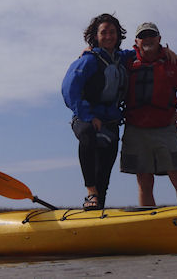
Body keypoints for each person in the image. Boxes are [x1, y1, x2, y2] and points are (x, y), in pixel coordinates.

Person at [120, 22, 177, 206]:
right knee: (144, 182)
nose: (148, 39)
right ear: (136, 41)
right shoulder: (127, 61)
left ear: (159, 39)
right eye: (143, 36)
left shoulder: (173, 63)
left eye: (152, 35)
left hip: (165, 129)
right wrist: (88, 50)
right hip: (136, 129)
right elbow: (104, 54)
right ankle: (150, 224)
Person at [61, 13, 130, 210]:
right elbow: (69, 89)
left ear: (118, 35)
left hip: (110, 121)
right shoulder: (89, 60)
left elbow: (141, 51)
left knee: (105, 173)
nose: (108, 36)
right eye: (104, 32)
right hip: (85, 118)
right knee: (88, 135)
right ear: (96, 36)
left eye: (112, 32)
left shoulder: (121, 58)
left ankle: (97, 211)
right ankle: (91, 192)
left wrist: (165, 52)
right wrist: (89, 116)